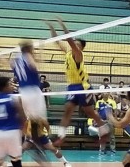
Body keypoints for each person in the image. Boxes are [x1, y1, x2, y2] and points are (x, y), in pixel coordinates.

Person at [46, 18, 109, 146]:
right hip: (72, 86)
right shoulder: (68, 53)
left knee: (89, 112)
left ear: (81, 48)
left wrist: (62, 24)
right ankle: (61, 137)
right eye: (75, 43)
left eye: (77, 44)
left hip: (83, 86)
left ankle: (104, 129)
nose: (75, 44)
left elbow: (69, 40)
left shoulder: (78, 54)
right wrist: (52, 27)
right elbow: (57, 41)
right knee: (67, 110)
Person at [11, 40, 48, 123]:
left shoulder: (15, 60)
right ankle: (45, 135)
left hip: (23, 91)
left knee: (26, 118)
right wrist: (41, 50)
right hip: (33, 90)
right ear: (29, 49)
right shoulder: (28, 56)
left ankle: (26, 136)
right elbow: (36, 66)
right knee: (40, 118)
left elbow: (13, 67)